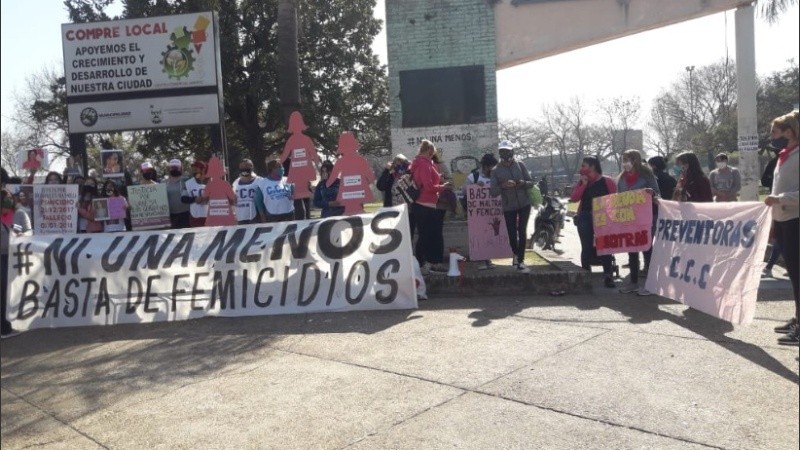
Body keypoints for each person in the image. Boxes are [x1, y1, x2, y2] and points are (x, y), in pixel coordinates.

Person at [764, 110, 799, 346]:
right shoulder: (786, 154)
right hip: (784, 219)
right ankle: (798, 319)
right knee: (795, 275)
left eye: (779, 129)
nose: (775, 135)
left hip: (795, 218)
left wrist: (780, 198)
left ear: (791, 130)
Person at [616, 150, 660, 296]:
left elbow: (657, 193)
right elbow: (618, 197)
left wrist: (650, 192)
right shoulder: (621, 178)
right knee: (632, 249)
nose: (625, 163)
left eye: (627, 159)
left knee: (647, 247)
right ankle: (633, 283)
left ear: (635, 160)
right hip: (630, 217)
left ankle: (650, 284)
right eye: (624, 159)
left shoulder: (647, 175)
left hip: (646, 217)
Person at [569, 156, 618, 288]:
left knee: (604, 246)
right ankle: (586, 275)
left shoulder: (607, 181)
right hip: (585, 216)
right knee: (586, 247)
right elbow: (574, 198)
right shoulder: (582, 182)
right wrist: (583, 185)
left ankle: (608, 275)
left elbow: (615, 200)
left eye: (584, 166)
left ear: (592, 166)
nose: (581, 169)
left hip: (603, 218)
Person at [490, 140, 534, 273]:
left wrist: (521, 183)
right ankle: (515, 254)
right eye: (503, 151)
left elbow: (531, 182)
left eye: (507, 151)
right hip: (509, 206)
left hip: (524, 203)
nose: (505, 153)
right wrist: (503, 185)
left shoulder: (520, 165)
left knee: (522, 230)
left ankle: (520, 260)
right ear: (500, 153)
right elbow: (493, 192)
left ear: (512, 152)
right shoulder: (495, 170)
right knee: (512, 233)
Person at [410, 140, 450, 274]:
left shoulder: (420, 163)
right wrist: (442, 187)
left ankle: (425, 262)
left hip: (424, 203)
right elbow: (428, 186)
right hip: (424, 203)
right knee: (424, 235)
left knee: (426, 235)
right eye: (432, 152)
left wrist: (438, 179)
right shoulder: (424, 164)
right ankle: (422, 264)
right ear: (429, 151)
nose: (433, 155)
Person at [1, 187, 32, 338]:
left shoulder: (18, 215)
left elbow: (26, 231)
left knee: (9, 292)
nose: (8, 200)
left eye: (9, 197)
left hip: (13, 257)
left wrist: (22, 234)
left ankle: (8, 324)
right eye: (4, 198)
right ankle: (4, 328)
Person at [464, 153, 498, 270]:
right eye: (490, 167)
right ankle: (480, 260)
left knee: (490, 235)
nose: (491, 169)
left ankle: (488, 259)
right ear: (485, 166)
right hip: (477, 214)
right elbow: (464, 191)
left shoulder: (494, 177)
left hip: (491, 213)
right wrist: (474, 186)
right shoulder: (473, 177)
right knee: (479, 235)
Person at [256, 158, 295, 223]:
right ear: (272, 169)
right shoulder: (262, 183)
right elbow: (258, 201)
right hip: (272, 216)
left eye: (282, 166)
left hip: (289, 214)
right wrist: (262, 215)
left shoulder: (288, 180)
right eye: (279, 167)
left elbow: (295, 193)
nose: (282, 168)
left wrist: (293, 195)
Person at [232, 159, 262, 224]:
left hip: (255, 217)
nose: (244, 169)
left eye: (246, 166)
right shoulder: (236, 182)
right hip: (240, 217)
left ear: (252, 167)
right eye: (242, 167)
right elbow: (233, 199)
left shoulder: (260, 181)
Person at [163, 159, 191, 229]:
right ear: (169, 169)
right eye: (172, 167)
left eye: (176, 168)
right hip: (170, 216)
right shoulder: (163, 182)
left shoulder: (187, 181)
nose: (174, 169)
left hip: (185, 215)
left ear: (181, 168)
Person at [182, 160, 209, 227]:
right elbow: (183, 199)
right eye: (193, 170)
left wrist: (208, 198)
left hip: (210, 216)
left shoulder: (211, 181)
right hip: (195, 218)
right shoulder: (188, 183)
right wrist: (195, 199)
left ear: (203, 170)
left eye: (196, 170)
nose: (194, 172)